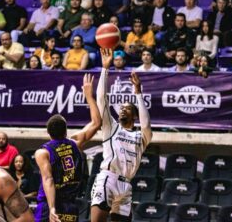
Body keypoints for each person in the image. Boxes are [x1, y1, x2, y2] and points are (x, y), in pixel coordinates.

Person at [91, 48, 152, 222]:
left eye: (127, 108)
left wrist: (138, 93)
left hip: (126, 185)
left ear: (134, 115)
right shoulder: (112, 127)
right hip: (108, 178)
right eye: (121, 108)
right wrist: (105, 69)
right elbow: (102, 99)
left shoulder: (141, 136)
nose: (122, 109)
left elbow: (146, 124)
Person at [34, 73, 101, 222]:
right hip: (70, 205)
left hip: (49, 205)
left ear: (48, 133)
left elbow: (48, 180)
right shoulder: (75, 143)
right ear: (65, 131)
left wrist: (52, 208)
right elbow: (97, 123)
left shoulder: (43, 152)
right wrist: (89, 96)